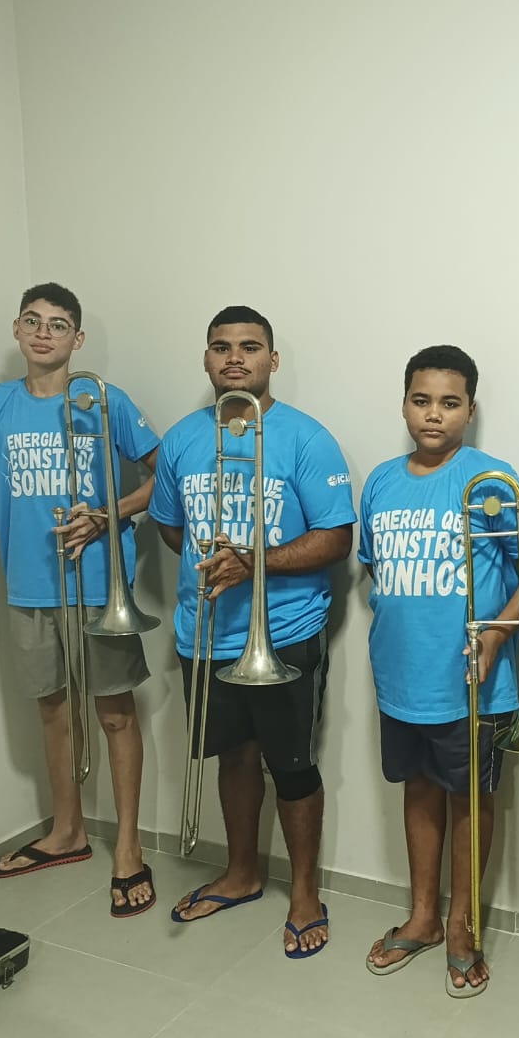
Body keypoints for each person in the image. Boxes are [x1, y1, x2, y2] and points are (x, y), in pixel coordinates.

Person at [151, 305, 355, 956]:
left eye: (249, 346)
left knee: (291, 765)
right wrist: (218, 564)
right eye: (221, 347)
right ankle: (241, 873)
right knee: (233, 756)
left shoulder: (306, 438)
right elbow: (171, 526)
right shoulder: (181, 439)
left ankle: (305, 894)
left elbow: (336, 539)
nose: (235, 358)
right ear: (206, 359)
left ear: (273, 359)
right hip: (205, 632)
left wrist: (253, 562)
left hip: (285, 631)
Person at [361, 345, 519, 997]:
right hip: (400, 677)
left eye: (450, 403)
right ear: (403, 404)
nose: (434, 414)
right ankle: (422, 916)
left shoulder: (493, 480)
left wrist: (498, 634)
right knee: (417, 791)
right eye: (421, 400)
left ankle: (461, 924)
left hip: (474, 681)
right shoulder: (381, 481)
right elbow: (375, 569)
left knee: (471, 800)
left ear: (470, 411)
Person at [0, 282, 160, 915]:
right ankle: (67, 831)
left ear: (78, 338)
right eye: (33, 320)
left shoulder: (104, 398)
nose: (44, 332)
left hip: (98, 585)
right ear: (16, 330)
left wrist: (106, 516)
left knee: (114, 713)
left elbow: (161, 478)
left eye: (58, 324)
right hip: (28, 586)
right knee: (52, 710)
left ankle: (127, 847)